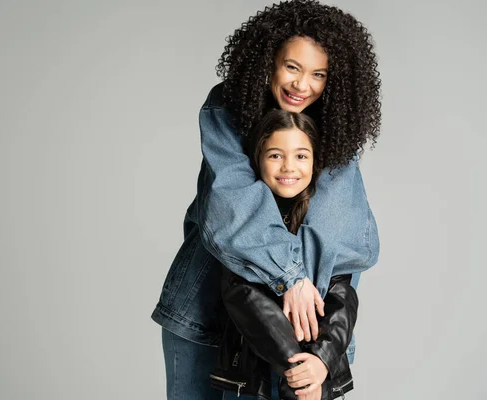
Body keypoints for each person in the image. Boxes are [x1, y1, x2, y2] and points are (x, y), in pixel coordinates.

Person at [150, 1, 381, 399]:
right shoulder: (227, 110)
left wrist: (319, 351)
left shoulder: (338, 127)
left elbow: (338, 232)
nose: (302, 85)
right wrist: (289, 277)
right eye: (292, 67)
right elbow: (233, 211)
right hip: (208, 316)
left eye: (318, 74)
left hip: (307, 330)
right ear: (267, 62)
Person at [211, 110, 359, 400]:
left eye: (301, 156)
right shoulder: (248, 219)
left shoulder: (327, 220)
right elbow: (240, 291)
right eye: (275, 155)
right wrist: (300, 375)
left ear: (315, 162)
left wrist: (321, 361)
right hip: (261, 378)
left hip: (318, 375)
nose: (288, 167)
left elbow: (343, 293)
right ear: (258, 159)